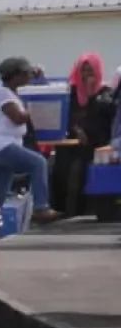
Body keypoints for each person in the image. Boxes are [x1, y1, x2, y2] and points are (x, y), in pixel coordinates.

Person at [0, 56, 58, 223]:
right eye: (26, 74)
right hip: (1, 145)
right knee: (38, 162)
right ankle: (41, 207)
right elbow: (17, 117)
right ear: (15, 76)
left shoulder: (11, 93)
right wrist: (34, 110)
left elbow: (40, 90)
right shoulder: (3, 93)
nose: (28, 77)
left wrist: (39, 80)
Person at [62, 53, 115, 218]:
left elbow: (106, 114)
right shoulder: (71, 93)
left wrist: (92, 96)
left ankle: (93, 208)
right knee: (63, 169)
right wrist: (78, 130)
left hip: (99, 142)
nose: (86, 75)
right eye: (83, 70)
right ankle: (67, 210)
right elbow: (67, 115)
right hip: (75, 140)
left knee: (90, 169)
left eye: (90, 70)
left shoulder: (106, 93)